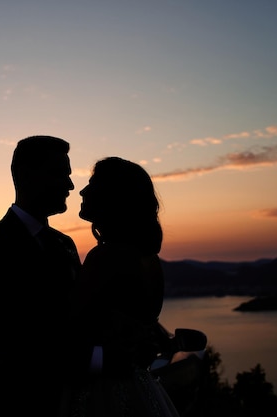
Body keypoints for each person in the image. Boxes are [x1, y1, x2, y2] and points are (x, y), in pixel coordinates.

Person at [0, 135, 81, 417]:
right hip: (19, 405)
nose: (69, 185)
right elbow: (14, 338)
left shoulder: (65, 243)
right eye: (59, 174)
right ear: (26, 175)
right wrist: (101, 359)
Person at [61, 157, 179, 417]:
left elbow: (69, 329)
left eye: (92, 184)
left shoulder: (106, 257)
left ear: (113, 197)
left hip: (103, 393)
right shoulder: (149, 259)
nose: (82, 191)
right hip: (140, 387)